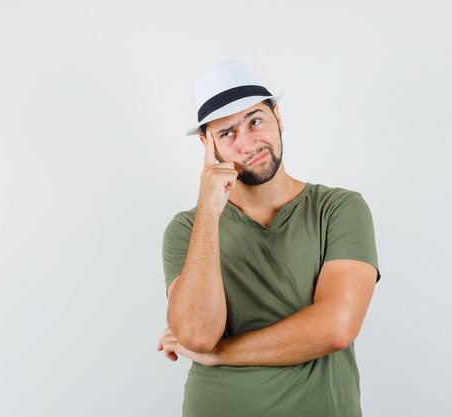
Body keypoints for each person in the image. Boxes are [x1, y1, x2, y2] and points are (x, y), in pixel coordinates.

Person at [157, 60, 381, 417]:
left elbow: (336, 327)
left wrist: (220, 353)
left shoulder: (338, 209)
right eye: (227, 133)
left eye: (255, 121)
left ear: (278, 117)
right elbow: (197, 336)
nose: (248, 143)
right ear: (206, 143)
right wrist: (209, 211)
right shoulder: (187, 229)